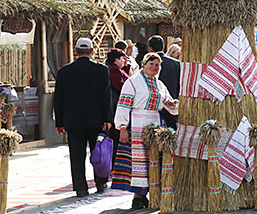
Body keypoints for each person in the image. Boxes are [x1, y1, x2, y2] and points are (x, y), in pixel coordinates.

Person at [111, 53, 179, 209]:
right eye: (151, 64)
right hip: (137, 124)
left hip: (155, 123)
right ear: (144, 64)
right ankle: (137, 197)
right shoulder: (133, 82)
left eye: (157, 65)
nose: (154, 67)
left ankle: (151, 194)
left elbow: (170, 104)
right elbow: (123, 105)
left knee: (153, 160)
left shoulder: (160, 85)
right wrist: (122, 127)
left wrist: (185, 103)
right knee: (138, 162)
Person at [53, 38, 112, 197]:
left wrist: (59, 122)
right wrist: (108, 119)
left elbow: (58, 99)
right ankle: (101, 182)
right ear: (92, 51)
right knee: (98, 152)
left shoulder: (64, 71)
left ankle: (80, 187)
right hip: (97, 120)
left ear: (76, 50)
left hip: (73, 121)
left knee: (77, 155)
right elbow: (106, 97)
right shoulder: (101, 70)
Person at [148, 35, 180, 129]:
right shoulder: (176, 64)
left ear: (150, 48)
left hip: (153, 106)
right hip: (172, 105)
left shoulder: (146, 63)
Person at [105, 48, 129, 166]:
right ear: (116, 59)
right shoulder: (114, 70)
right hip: (115, 108)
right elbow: (119, 86)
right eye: (122, 58)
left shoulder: (118, 69)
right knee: (115, 138)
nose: (124, 60)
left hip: (116, 107)